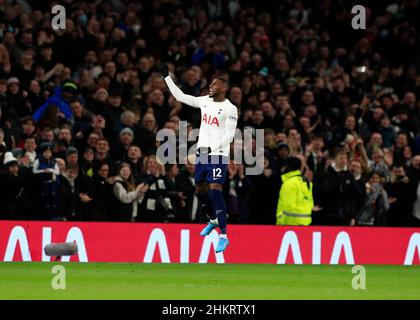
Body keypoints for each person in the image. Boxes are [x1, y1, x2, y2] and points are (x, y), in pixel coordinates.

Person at [162, 64, 238, 253]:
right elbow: (180, 97)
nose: (211, 87)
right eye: (210, 84)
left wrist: (212, 149)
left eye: (215, 84)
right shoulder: (205, 101)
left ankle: (223, 235)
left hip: (218, 154)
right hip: (202, 154)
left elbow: (229, 136)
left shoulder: (230, 109)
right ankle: (213, 219)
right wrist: (166, 77)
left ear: (224, 88)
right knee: (200, 190)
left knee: (215, 190)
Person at [276, 157, 315, 226]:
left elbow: (288, 207)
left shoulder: (289, 183)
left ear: (287, 167)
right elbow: (310, 204)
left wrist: (281, 223)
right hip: (304, 224)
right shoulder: (306, 182)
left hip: (289, 225)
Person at [32, 142, 60, 220]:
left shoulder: (53, 161)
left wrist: (51, 170)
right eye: (45, 152)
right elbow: (34, 171)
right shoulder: (38, 160)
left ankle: (53, 216)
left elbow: (57, 172)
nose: (47, 154)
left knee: (53, 200)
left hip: (52, 184)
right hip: (43, 184)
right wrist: (43, 171)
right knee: (44, 200)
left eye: (49, 152)